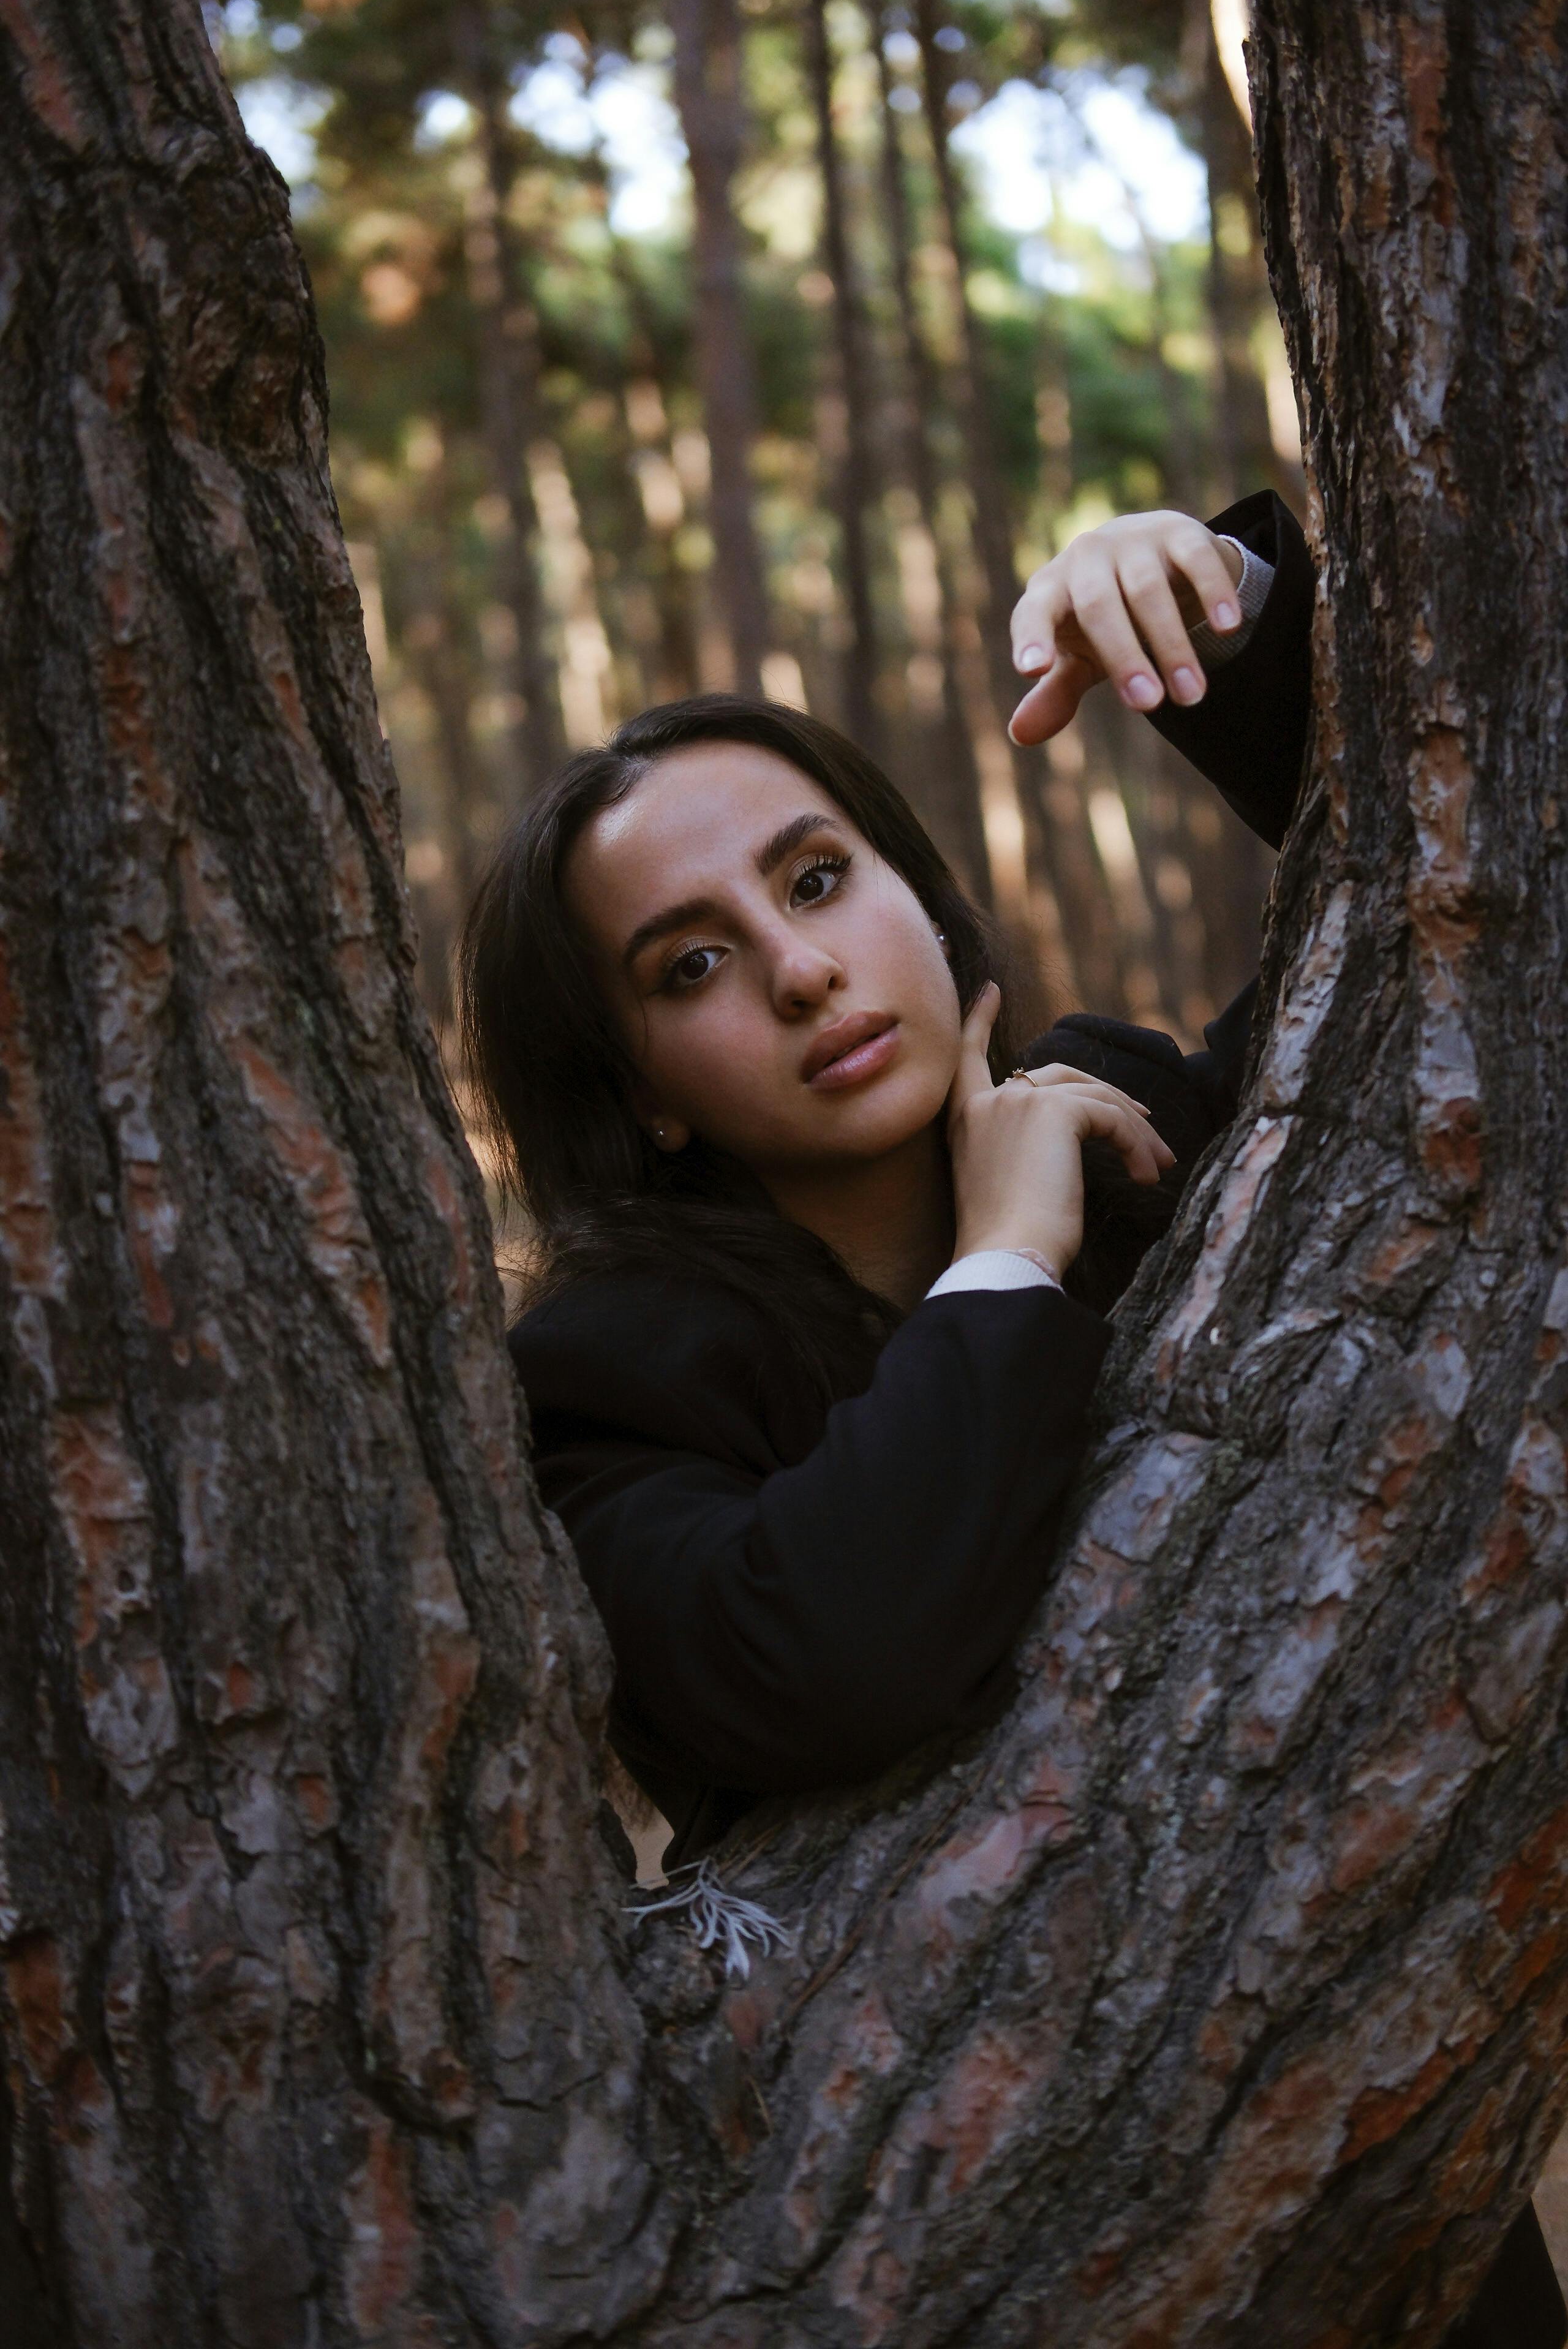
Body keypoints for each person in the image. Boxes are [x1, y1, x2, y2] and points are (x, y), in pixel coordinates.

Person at [460, 491, 1564, 2349]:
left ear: (909, 888)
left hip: (1397, 2176)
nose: (803, 967)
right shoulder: (599, 1393)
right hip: (1007, 2252)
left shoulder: (1152, 1129)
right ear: (640, 1089)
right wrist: (1006, 1257)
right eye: (694, 963)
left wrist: (1216, 631)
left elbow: (1485, 979)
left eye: (817, 880)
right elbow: (823, 1653)